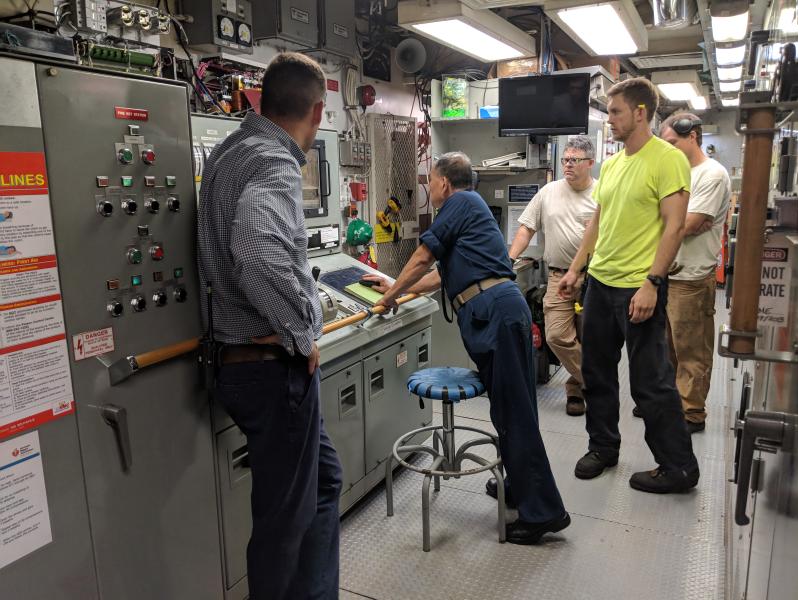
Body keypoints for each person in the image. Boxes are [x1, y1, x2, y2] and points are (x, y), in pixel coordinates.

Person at [366, 152, 570, 545]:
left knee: (515, 412)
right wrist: (394, 287)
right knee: (510, 407)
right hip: (497, 312)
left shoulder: (460, 202)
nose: (430, 188)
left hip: (494, 313)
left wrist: (391, 297)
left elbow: (424, 257)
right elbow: (441, 275)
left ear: (444, 182)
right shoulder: (469, 210)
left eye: (431, 181)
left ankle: (543, 512)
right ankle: (520, 488)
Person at [197, 52, 342, 600]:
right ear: (318, 109)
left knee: (324, 483)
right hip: (269, 368)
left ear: (263, 100)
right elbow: (257, 250)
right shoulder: (276, 161)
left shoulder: (231, 151)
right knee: (283, 527)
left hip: (239, 362)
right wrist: (304, 332)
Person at [558, 77, 700, 494]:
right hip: (600, 285)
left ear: (641, 112)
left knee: (650, 382)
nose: (610, 120)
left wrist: (652, 283)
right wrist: (576, 268)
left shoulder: (666, 160)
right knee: (596, 373)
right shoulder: (615, 163)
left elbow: (674, 227)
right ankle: (603, 446)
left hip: (639, 287)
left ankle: (678, 467)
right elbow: (599, 222)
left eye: (616, 112)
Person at [509, 135, 597, 417]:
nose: (568, 165)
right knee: (558, 335)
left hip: (594, 277)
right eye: (565, 160)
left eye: (574, 160)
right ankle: (596, 382)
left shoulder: (602, 194)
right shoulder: (549, 192)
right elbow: (526, 228)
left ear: (590, 163)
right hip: (559, 277)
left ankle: (576, 392)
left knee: (589, 338)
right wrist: (508, 259)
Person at [659, 113, 731, 434]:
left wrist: (680, 223)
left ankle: (692, 413)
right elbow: (668, 220)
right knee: (666, 347)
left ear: (694, 137)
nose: (667, 149)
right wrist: (679, 223)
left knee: (691, 349)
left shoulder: (711, 175)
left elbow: (687, 224)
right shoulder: (673, 173)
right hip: (664, 273)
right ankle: (671, 402)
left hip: (690, 277)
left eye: (672, 143)